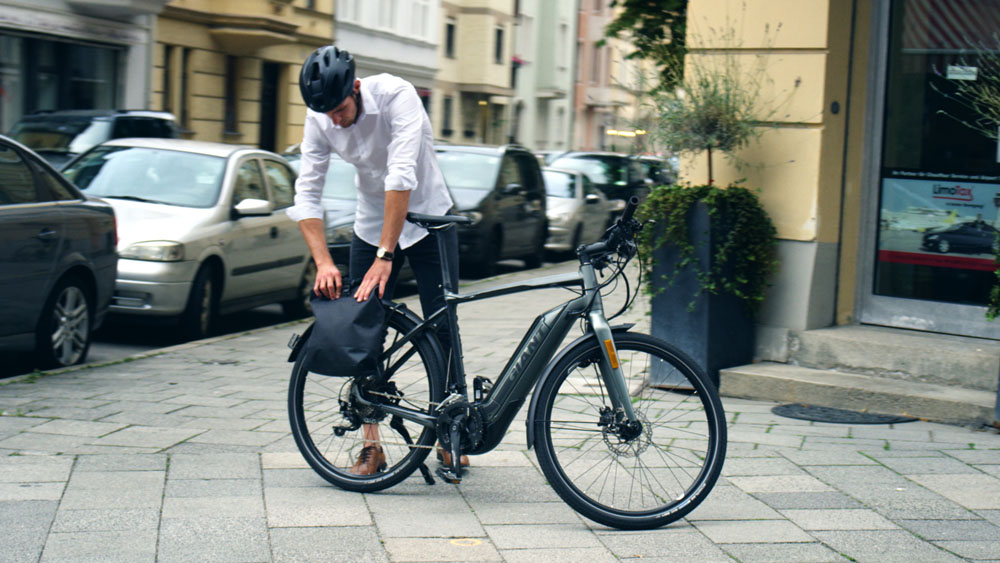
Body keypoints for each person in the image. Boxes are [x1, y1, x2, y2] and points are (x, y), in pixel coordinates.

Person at [287, 46, 467, 475]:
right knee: (362, 325)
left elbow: (401, 174)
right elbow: (307, 192)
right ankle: (372, 444)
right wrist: (323, 262)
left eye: (339, 108)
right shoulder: (320, 118)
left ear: (355, 87)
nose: (334, 119)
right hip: (371, 222)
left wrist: (388, 256)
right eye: (325, 112)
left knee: (442, 326)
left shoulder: (396, 95)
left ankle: (451, 433)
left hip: (428, 220)